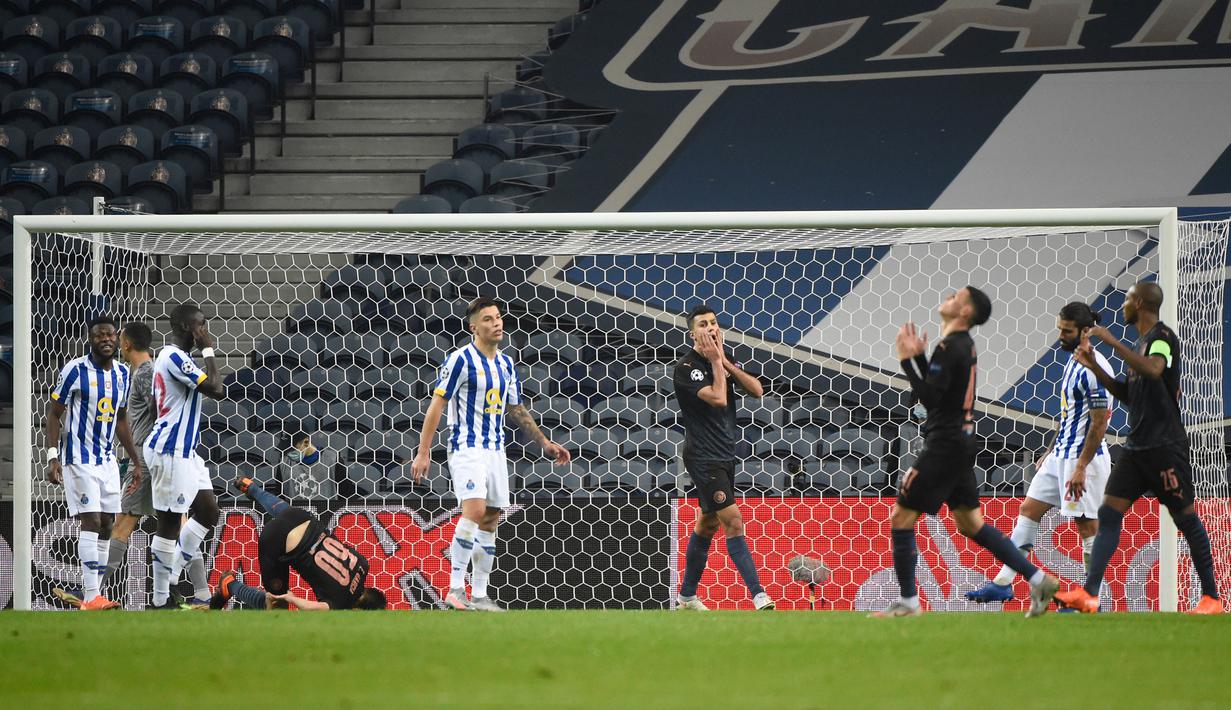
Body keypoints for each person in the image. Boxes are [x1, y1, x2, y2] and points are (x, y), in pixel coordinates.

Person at [874, 287, 1059, 618]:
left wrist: (906, 361)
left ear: (965, 312)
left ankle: (909, 602)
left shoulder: (950, 346)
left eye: (956, 297)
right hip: (960, 442)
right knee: (971, 524)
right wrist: (920, 359)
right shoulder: (961, 345)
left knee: (901, 518)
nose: (949, 297)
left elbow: (930, 400)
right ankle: (1038, 579)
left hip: (944, 444)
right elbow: (940, 393)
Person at [1056, 281, 1222, 613]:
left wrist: (1111, 342)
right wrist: (1093, 366)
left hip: (1164, 447)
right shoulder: (1139, 345)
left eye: (1128, 299)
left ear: (1141, 304)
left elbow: (1155, 369)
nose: (1123, 305)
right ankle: (1089, 593)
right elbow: (1129, 396)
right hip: (1136, 449)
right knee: (1108, 512)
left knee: (1185, 518)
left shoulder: (1162, 338)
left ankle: (1211, 597)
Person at [410, 297, 570, 612]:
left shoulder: (506, 364)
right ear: (473, 327)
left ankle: (480, 595)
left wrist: (544, 443)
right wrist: (423, 451)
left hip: (496, 449)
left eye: (498, 317)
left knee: (491, 518)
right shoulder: (460, 360)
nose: (496, 323)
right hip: (466, 446)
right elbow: (437, 404)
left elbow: (516, 408)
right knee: (474, 509)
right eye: (487, 319)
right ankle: (455, 589)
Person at [967, 302, 1113, 603]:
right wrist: (1050, 449)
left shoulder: (1095, 369)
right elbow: (1070, 413)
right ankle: (1003, 583)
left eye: (1067, 331)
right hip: (1061, 454)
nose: (1060, 336)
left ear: (1086, 331)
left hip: (1083, 459)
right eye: (1060, 329)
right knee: (1029, 510)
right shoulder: (1074, 358)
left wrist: (1080, 467)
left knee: (1087, 526)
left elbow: (1100, 422)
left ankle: (1091, 597)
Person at [674, 304, 775, 611]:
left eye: (714, 323)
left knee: (707, 524)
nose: (711, 328)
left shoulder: (724, 358)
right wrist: (717, 362)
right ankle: (759, 595)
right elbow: (718, 398)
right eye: (703, 325)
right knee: (733, 521)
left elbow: (757, 390)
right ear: (693, 334)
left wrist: (725, 362)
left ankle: (686, 597)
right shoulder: (686, 368)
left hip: (724, 454)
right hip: (703, 457)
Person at [45, 315, 144, 610]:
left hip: (107, 460)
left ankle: (93, 595)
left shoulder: (123, 374)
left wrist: (136, 460)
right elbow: (54, 414)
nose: (106, 339)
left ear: (117, 338)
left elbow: (121, 419)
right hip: (78, 458)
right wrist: (52, 457)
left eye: (110, 335)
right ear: (90, 339)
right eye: (100, 335)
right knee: (93, 521)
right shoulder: (74, 370)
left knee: (108, 524)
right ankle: (91, 596)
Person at [144, 304, 226, 609]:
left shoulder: (176, 359)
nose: (204, 330)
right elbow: (217, 388)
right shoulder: (173, 357)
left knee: (208, 511)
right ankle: (160, 599)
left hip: (186, 452)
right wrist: (208, 350)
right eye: (200, 324)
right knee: (169, 524)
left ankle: (172, 574)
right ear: (183, 326)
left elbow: (155, 405)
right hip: (170, 450)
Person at [210, 477, 387, 611]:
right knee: (277, 605)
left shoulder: (363, 564)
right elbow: (314, 608)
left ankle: (254, 490)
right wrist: (291, 598)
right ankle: (231, 585)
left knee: (286, 512)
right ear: (358, 610)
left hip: (303, 519)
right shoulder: (340, 602)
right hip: (276, 539)